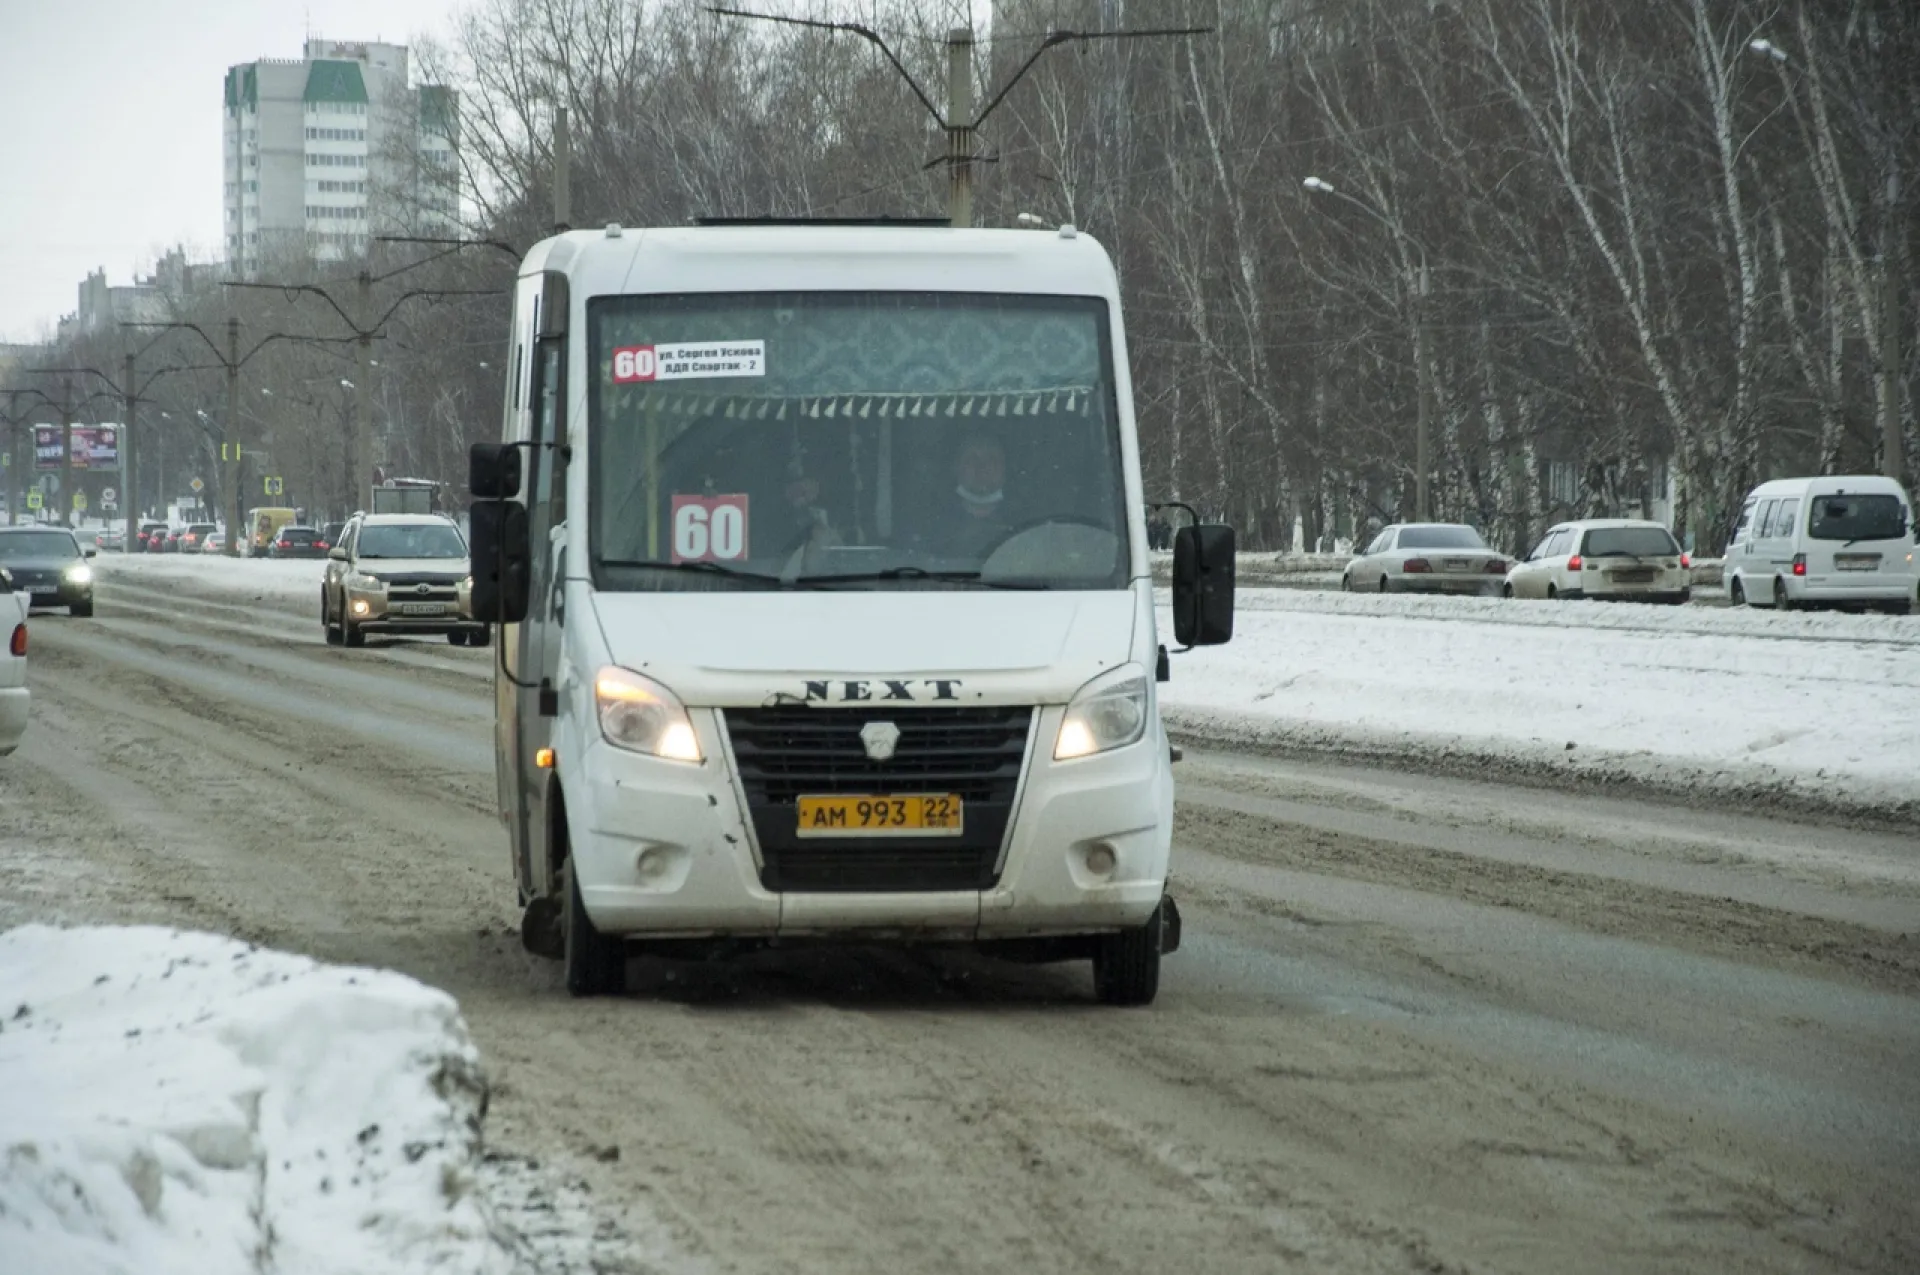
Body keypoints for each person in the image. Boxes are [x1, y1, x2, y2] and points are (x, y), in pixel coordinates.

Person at [935, 432, 1012, 559]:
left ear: (1005, 468)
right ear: (955, 467)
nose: (982, 467)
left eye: (992, 459)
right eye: (972, 459)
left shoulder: (1024, 523)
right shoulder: (934, 524)